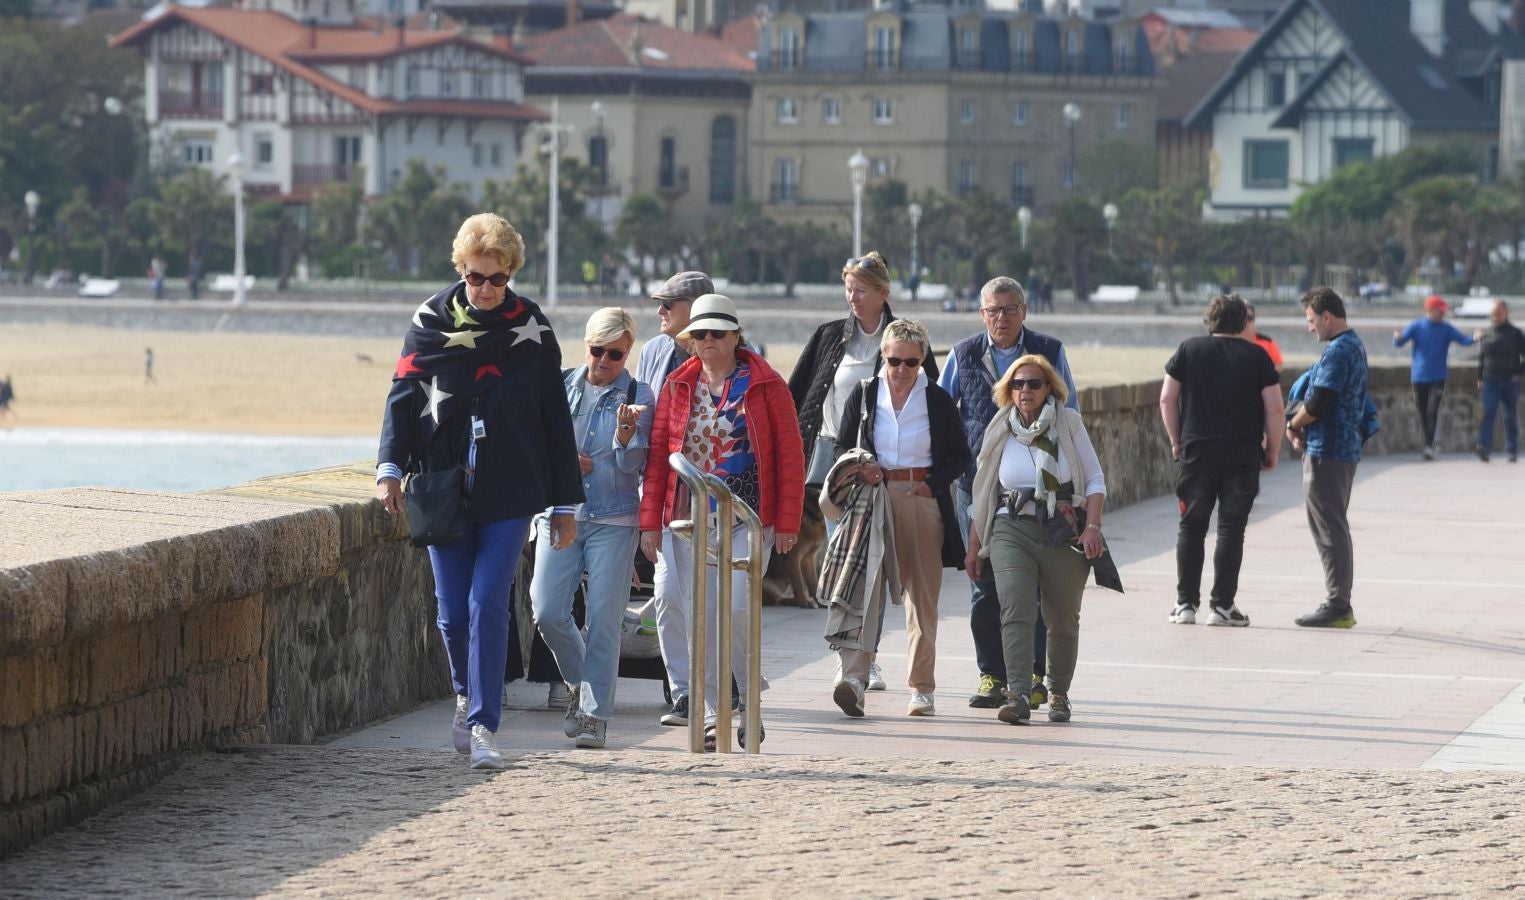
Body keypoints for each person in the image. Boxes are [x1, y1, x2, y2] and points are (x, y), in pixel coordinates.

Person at [375, 212, 583, 769]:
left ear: (511, 273)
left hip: (510, 489)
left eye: (496, 278)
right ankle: (464, 692)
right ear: (460, 271)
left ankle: (485, 725)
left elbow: (554, 419)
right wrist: (390, 469)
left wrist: (565, 504)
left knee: (488, 601)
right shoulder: (429, 321)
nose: (485, 289)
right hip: (443, 488)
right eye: (474, 277)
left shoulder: (532, 331)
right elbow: (402, 397)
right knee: (451, 613)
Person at [640, 294, 805, 750]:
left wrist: (788, 520)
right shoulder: (677, 385)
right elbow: (659, 458)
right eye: (700, 334)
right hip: (686, 519)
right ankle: (714, 711)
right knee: (684, 609)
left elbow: (790, 457)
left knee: (734, 611)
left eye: (718, 333)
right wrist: (648, 521)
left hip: (746, 519)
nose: (708, 341)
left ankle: (749, 702)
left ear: (737, 336)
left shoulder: (767, 385)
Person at [789, 251, 937, 692]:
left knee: (878, 566)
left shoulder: (904, 340)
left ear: (882, 293)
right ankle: (851, 659)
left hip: (887, 465)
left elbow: (929, 399)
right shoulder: (830, 335)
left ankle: (867, 659)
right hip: (834, 460)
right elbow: (799, 390)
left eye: (861, 290)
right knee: (843, 560)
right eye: (848, 289)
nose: (852, 297)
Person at [938, 275, 1077, 711]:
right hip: (977, 489)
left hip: (1039, 491)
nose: (1001, 317)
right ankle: (992, 675)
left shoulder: (1048, 351)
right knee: (984, 583)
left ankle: (1035, 675)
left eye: (1009, 309)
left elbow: (1070, 409)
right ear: (981, 314)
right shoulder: (963, 354)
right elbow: (944, 411)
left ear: (1024, 310)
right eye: (993, 310)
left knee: (1034, 585)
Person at [827, 319, 970, 718]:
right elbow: (841, 443)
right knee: (864, 588)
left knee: (921, 596)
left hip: (921, 498)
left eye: (911, 362)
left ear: (922, 360)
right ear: (883, 358)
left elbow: (961, 455)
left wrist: (933, 484)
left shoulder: (937, 401)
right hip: (874, 496)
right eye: (894, 360)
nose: (902, 370)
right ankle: (855, 679)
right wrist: (862, 467)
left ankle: (922, 687)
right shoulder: (865, 393)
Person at [530, 307, 654, 750]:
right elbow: (534, 449)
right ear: (585, 345)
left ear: (628, 353)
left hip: (614, 520)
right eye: (596, 351)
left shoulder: (640, 396)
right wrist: (561, 464)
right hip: (559, 514)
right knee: (545, 609)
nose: (603, 362)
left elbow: (634, 467)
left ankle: (594, 715)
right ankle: (584, 690)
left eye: (615, 355)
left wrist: (624, 436)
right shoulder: (561, 385)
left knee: (603, 620)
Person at [966, 354, 1106, 726]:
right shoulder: (999, 428)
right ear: (1008, 391)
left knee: (1061, 620)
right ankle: (1017, 694)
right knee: (1015, 609)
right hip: (1011, 527)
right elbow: (984, 491)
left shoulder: (1069, 423)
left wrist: (1092, 527)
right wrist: (974, 544)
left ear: (1050, 389)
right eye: (1017, 384)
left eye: (1033, 383)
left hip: (1062, 528)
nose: (1025, 390)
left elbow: (1094, 481)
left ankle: (1058, 692)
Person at [1159, 294, 1284, 627]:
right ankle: (1222, 606)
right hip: (1242, 455)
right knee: (1231, 530)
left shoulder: (1189, 349)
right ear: (1243, 322)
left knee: (1191, 528)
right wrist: (1272, 449)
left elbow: (1166, 398)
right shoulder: (1257, 355)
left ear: (1209, 321)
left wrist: (1176, 441)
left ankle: (1185, 604)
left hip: (1197, 452)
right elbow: (1274, 407)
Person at [633, 269, 713, 727]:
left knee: (719, 599)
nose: (660, 311)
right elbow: (647, 426)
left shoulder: (730, 350)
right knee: (667, 596)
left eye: (670, 303)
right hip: (664, 493)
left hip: (718, 497)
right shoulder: (652, 351)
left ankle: (726, 687)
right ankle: (683, 693)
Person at [1286, 287, 1375, 629]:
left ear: (1326, 317)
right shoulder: (1353, 346)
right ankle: (1338, 601)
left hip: (1329, 449)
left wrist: (1292, 424)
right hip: (1340, 448)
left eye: (1311, 320)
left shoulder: (1339, 350)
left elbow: (1319, 401)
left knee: (1329, 526)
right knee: (1331, 524)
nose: (1310, 328)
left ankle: (1338, 604)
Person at [1393, 295, 1473, 460]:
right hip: (1419, 376)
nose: (1443, 314)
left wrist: (1475, 337)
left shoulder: (1446, 328)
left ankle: (1429, 445)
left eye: (1444, 311)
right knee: (1422, 412)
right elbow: (1400, 342)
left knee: (1432, 410)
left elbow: (1464, 340)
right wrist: (1397, 338)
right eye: (1440, 311)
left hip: (1438, 376)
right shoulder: (1416, 326)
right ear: (1430, 310)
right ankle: (1429, 443)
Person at [1474, 300, 1525, 462]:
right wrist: (1480, 377)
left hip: (1510, 381)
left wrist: (1518, 373)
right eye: (1493, 314)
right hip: (1490, 380)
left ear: (1506, 313)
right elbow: (1482, 357)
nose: (1495, 317)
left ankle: (1512, 450)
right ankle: (1484, 447)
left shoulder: (1516, 333)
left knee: (1510, 417)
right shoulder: (1486, 333)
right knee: (1487, 413)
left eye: (1498, 313)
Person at [1246, 303, 1283, 370]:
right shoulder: (1228, 344)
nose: (1245, 321)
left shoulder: (1267, 342)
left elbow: (1279, 366)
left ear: (1254, 320)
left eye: (1249, 318)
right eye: (1240, 317)